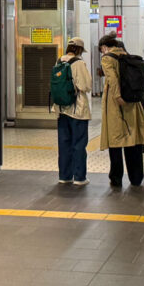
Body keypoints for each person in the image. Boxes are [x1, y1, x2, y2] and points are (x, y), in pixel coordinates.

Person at [98, 33, 144, 188]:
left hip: (117, 105)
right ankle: (136, 178)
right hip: (134, 103)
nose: (102, 52)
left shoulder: (108, 58)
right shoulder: (127, 56)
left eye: (102, 49)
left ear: (105, 47)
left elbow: (112, 80)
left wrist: (118, 96)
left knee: (115, 140)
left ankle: (116, 178)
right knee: (133, 140)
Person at [54, 37, 93, 186]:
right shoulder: (78, 63)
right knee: (78, 144)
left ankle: (64, 176)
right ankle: (79, 177)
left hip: (61, 109)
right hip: (77, 110)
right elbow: (86, 85)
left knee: (64, 144)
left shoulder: (59, 61)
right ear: (79, 50)